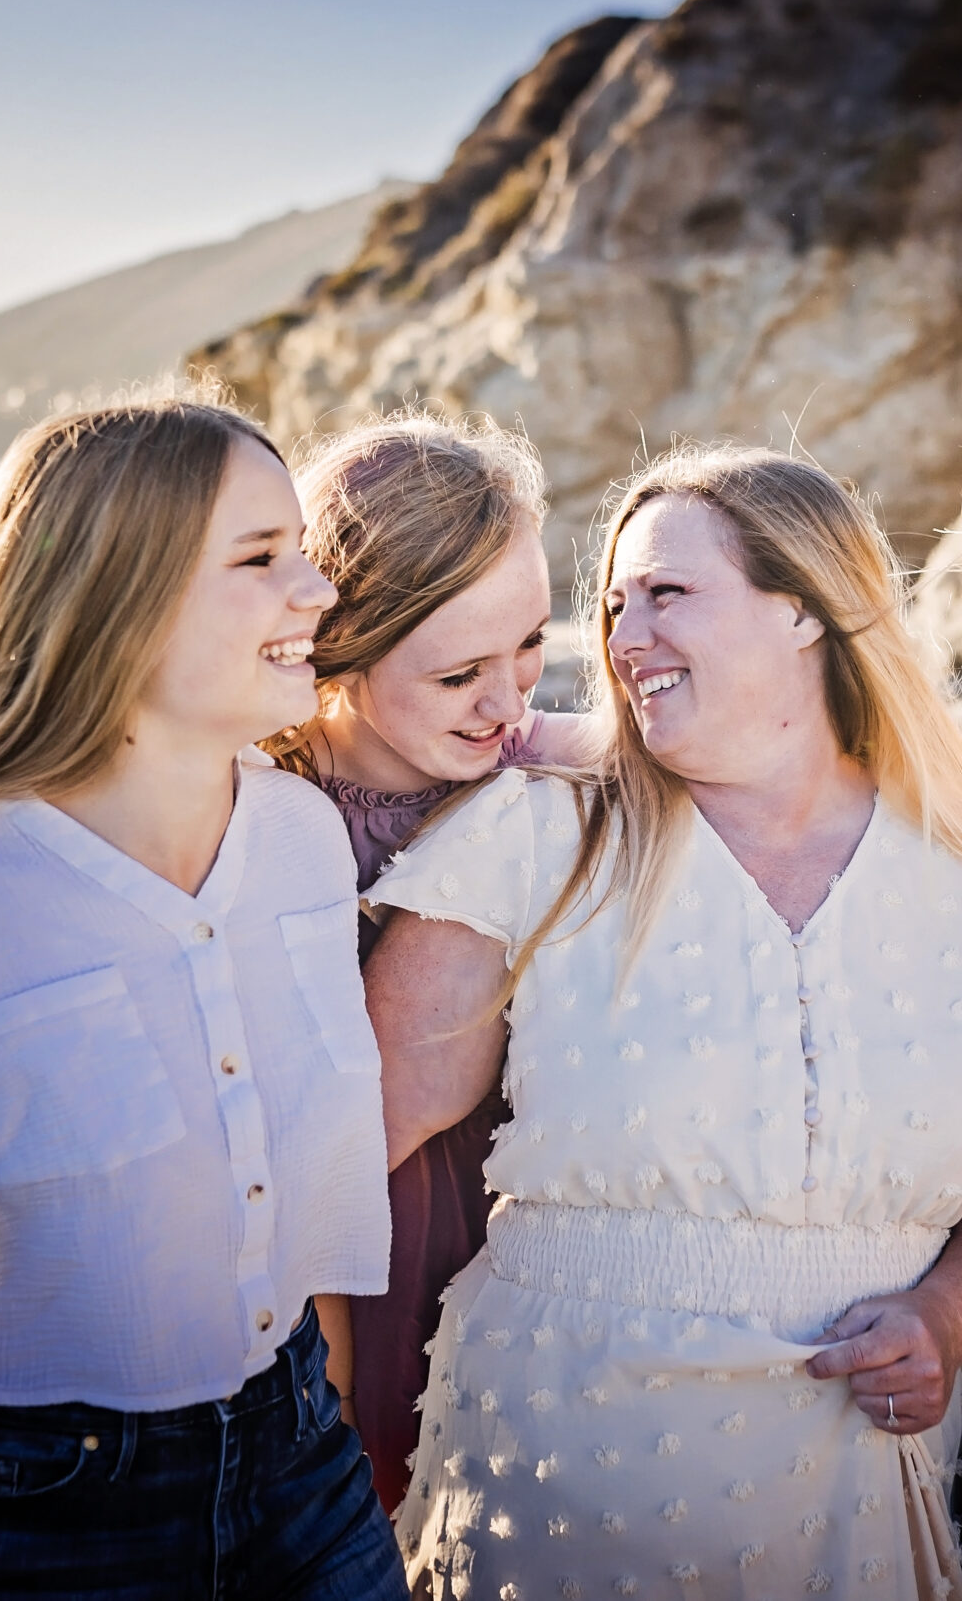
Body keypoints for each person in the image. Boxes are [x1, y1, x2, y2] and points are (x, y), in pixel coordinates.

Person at [362, 445, 962, 1601]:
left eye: (666, 593)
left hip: (859, 1462)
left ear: (804, 609)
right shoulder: (541, 832)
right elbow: (344, 1140)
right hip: (557, 1457)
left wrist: (945, 1318)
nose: (621, 635)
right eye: (612, 603)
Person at [0, 397, 406, 1601]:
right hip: (38, 1525)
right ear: (119, 590)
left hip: (307, 1468)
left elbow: (295, 1199)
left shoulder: (305, 846)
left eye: (301, 551)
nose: (316, 590)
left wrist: (341, 1435)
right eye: (261, 559)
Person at [263, 413, 584, 1512]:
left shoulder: (527, 767)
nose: (510, 704)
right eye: (459, 675)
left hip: (507, 1216)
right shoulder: (253, 808)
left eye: (533, 644)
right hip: (327, 1230)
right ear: (336, 645)